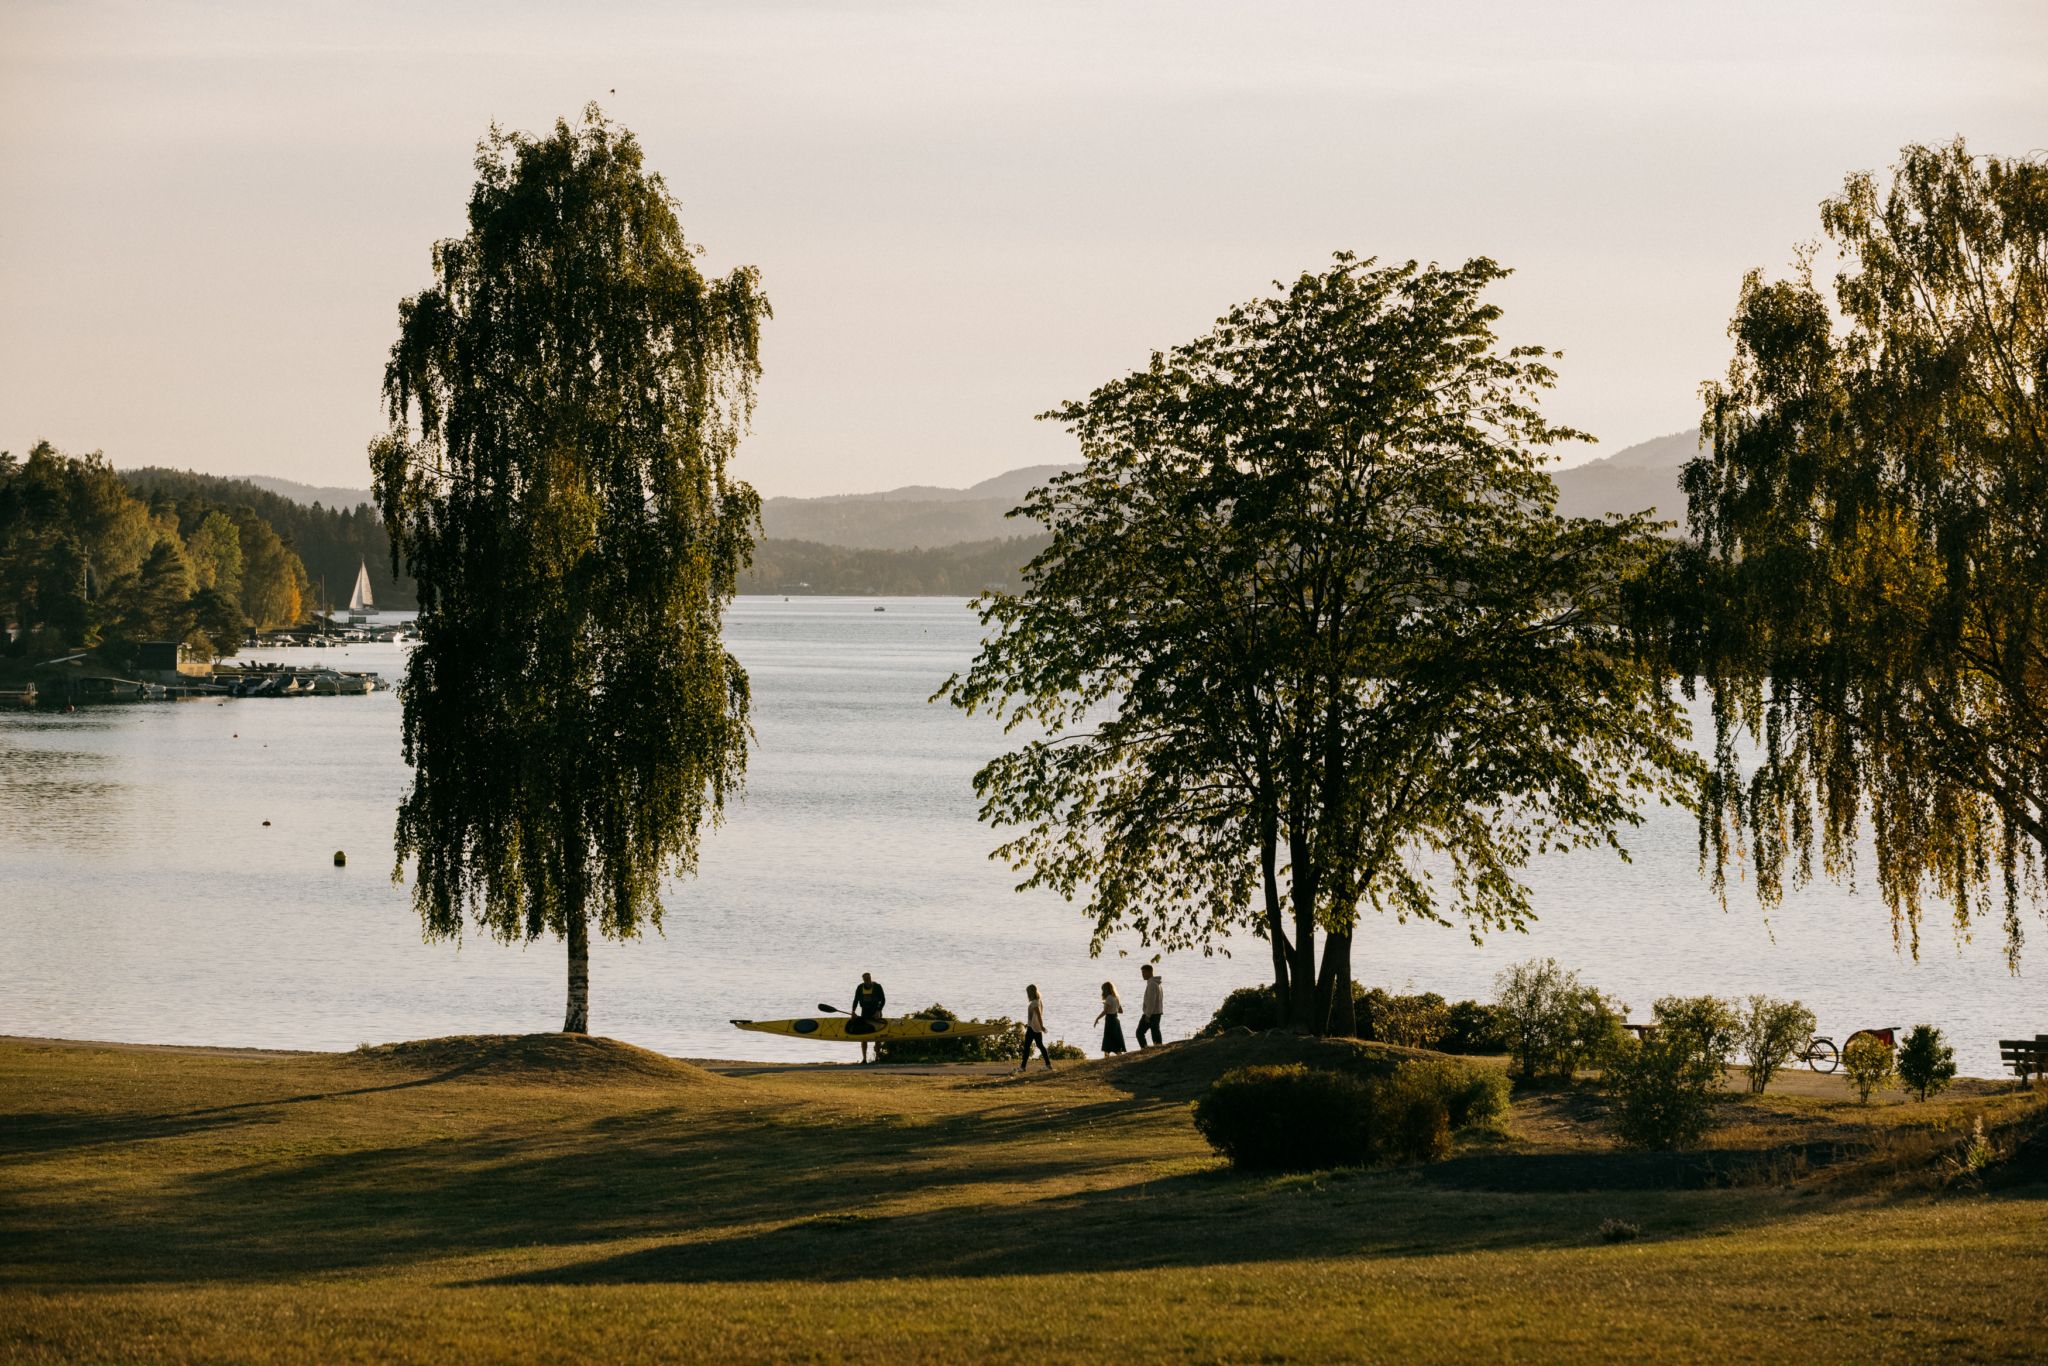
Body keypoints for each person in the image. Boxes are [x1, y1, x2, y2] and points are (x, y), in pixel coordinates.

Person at [850, 972, 886, 1065]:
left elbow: (883, 1000)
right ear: (863, 980)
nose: (867, 981)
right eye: (865, 979)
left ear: (870, 978)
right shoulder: (860, 987)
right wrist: (853, 1011)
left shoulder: (877, 987)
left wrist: (878, 1010)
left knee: (877, 1036)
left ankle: (877, 1057)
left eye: (868, 979)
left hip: (876, 1013)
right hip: (864, 1013)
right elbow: (856, 1000)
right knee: (864, 1037)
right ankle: (864, 1059)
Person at [1018, 984, 1053, 1071]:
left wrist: (1042, 1026)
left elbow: (1039, 1015)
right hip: (1034, 1027)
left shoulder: (1035, 1003)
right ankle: (1048, 1065)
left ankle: (1023, 1067)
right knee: (1040, 1045)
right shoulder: (1038, 1001)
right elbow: (1034, 1017)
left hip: (1033, 1028)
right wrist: (1028, 1024)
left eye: (1027, 992)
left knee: (1027, 1047)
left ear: (1030, 993)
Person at [1094, 980, 1127, 1055]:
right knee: (1116, 1038)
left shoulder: (1109, 998)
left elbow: (1105, 1012)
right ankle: (1119, 1054)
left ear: (1106, 990)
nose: (1102, 992)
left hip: (1110, 1020)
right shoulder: (1116, 997)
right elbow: (1121, 1011)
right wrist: (1112, 1006)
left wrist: (1097, 1018)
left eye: (1103, 990)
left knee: (1108, 1039)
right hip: (1116, 1019)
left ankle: (1106, 1056)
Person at [1136, 964, 1164, 1048]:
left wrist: (1147, 1015)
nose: (1142, 974)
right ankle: (1158, 1047)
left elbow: (1151, 1001)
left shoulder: (1152, 984)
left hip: (1151, 1013)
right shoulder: (1156, 983)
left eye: (1144, 972)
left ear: (1150, 972)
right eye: (1142, 972)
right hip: (1157, 1012)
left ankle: (1145, 1049)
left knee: (1139, 1032)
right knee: (1155, 1032)